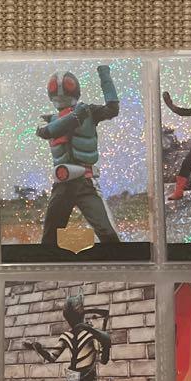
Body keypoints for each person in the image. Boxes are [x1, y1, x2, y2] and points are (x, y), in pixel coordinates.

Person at [36, 66, 121, 246]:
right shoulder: (48, 119)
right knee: (49, 240)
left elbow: (113, 109)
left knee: (108, 235)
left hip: (85, 182)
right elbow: (47, 132)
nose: (60, 89)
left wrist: (104, 75)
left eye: (65, 85)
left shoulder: (88, 111)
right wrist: (75, 117)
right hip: (62, 184)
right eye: (56, 86)